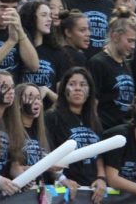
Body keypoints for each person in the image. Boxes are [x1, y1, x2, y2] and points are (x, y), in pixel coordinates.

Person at [45, 68, 107, 203]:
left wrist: (101, 178)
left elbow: (99, 156)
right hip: (64, 191)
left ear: (90, 91)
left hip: (91, 191)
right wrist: (62, 179)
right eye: (72, 84)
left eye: (83, 84)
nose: (77, 88)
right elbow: (46, 153)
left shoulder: (94, 120)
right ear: (63, 89)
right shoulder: (52, 117)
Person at [88, 12, 136, 129]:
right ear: (115, 37)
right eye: (130, 41)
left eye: (134, 41)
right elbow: (92, 104)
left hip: (124, 129)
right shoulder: (98, 63)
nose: (133, 46)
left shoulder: (125, 63)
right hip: (106, 130)